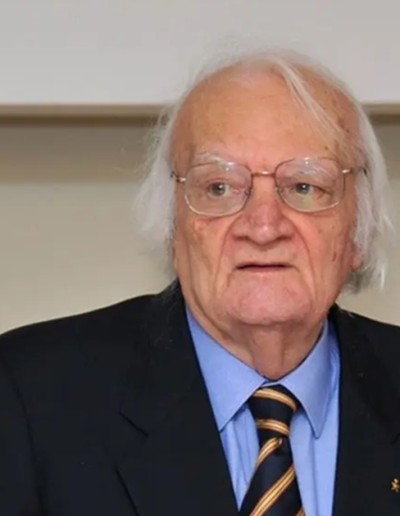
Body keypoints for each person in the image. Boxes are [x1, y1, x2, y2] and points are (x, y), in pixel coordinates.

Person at [0, 49, 399, 516]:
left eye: (304, 187)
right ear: (173, 228)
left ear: (358, 230)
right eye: (219, 188)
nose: (264, 226)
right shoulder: (26, 396)